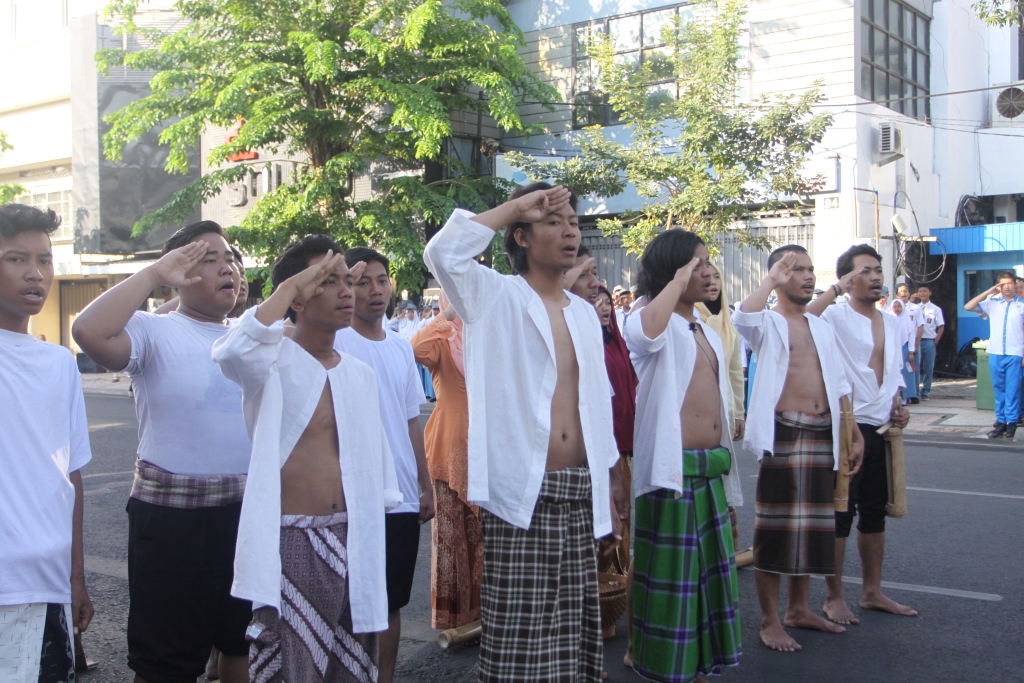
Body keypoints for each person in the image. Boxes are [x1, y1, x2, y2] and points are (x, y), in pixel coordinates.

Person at [424, 182, 625, 682]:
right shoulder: (494, 295)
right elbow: (442, 251)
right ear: (520, 237)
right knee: (521, 637)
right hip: (524, 494)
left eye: (574, 223)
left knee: (577, 630)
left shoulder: (582, 312)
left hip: (581, 490)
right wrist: (517, 205)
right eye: (553, 223)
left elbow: (598, 406)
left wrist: (612, 483)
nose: (569, 232)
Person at [71, 221, 252, 683]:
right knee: (167, 662)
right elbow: (88, 331)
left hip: (245, 516)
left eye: (230, 257)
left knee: (242, 642)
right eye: (207, 259)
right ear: (179, 271)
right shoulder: (153, 331)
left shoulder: (246, 336)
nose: (227, 266)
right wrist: (154, 275)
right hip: (174, 524)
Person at [212, 237, 399, 681]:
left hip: (355, 538)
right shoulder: (269, 360)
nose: (346, 292)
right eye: (328, 281)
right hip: (291, 541)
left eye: (346, 281)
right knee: (291, 669)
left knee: (349, 668)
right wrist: (293, 285)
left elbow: (377, 466)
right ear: (295, 297)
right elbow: (231, 350)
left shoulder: (360, 374)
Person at [621, 229, 741, 682]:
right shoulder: (647, 317)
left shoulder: (700, 328)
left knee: (704, 581)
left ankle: (694, 662)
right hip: (672, 472)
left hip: (708, 471)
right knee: (667, 577)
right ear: (673, 270)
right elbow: (645, 333)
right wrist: (675, 280)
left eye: (709, 263)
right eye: (696, 264)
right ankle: (648, 654)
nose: (708, 271)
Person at [733, 245, 861, 653]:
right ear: (779, 275)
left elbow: (838, 381)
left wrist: (852, 430)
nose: (807, 276)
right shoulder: (767, 322)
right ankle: (770, 620)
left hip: (825, 431)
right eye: (796, 269)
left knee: (812, 531)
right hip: (784, 433)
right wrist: (771, 278)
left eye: (809, 269)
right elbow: (742, 317)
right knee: (775, 531)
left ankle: (800, 609)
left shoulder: (819, 325)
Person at [0, 205, 93, 683]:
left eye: (45, 260)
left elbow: (70, 476)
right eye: (16, 259)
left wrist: (76, 579)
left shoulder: (59, 364)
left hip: (50, 584)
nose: (35, 273)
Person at [335, 247, 434, 683]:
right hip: (349, 496)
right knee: (347, 601)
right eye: (361, 282)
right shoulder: (333, 340)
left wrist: (425, 484)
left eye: (381, 280)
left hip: (402, 499)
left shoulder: (399, 346)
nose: (374, 291)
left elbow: (411, 421)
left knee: (391, 601)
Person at [808, 244, 916, 624]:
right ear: (849, 278)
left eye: (878, 269)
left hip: (882, 426)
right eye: (865, 271)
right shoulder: (834, 315)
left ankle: (872, 591)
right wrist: (835, 288)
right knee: (841, 513)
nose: (874, 276)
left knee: (875, 513)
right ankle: (833, 596)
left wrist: (898, 406)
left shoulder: (890, 319)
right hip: (847, 425)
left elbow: (892, 370)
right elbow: (802, 316)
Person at [410, 292, 482, 631]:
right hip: (449, 444)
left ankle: (486, 615)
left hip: (488, 445)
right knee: (452, 535)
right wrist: (449, 313)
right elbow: (415, 347)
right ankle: (455, 617)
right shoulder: (442, 339)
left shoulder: (486, 335)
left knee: (486, 535)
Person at [964, 271, 1024, 438]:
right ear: (999, 286)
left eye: (1009, 283)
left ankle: (1011, 422)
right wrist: (988, 292)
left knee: (1013, 389)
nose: (1006, 287)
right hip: (996, 352)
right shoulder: (993, 303)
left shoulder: (1021, 305)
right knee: (999, 389)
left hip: (1015, 353)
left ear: (1014, 285)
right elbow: (968, 306)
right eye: (1002, 284)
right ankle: (1001, 421)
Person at [915, 285, 944, 400]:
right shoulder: (915, 308)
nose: (922, 293)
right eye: (920, 291)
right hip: (917, 341)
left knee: (928, 367)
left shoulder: (935, 309)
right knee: (915, 367)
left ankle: (926, 391)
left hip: (929, 341)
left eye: (925, 291)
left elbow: (941, 326)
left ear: (930, 293)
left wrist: (936, 341)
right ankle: (915, 391)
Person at [889, 299, 918, 406]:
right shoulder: (889, 319)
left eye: (899, 306)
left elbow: (911, 336)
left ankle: (905, 397)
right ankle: (895, 396)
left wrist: (911, 351)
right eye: (894, 306)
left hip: (904, 348)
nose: (896, 309)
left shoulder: (907, 320)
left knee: (905, 372)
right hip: (892, 348)